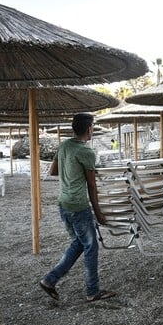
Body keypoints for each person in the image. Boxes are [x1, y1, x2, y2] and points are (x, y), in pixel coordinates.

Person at [39, 113, 116, 302]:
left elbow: (53, 171)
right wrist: (98, 212)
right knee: (91, 247)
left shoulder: (65, 145)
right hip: (78, 206)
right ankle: (92, 291)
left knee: (79, 244)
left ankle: (50, 280)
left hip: (63, 204)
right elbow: (91, 185)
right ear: (89, 128)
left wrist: (70, 169)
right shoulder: (86, 152)